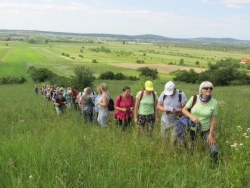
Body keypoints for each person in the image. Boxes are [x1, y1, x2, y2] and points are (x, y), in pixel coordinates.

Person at [182, 81, 218, 162]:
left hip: (205, 130)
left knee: (214, 150)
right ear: (201, 90)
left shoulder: (214, 102)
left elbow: (213, 120)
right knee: (190, 150)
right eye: (206, 88)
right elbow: (184, 110)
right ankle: (190, 164)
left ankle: (212, 165)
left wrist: (210, 135)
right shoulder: (194, 98)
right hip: (191, 129)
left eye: (210, 88)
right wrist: (192, 117)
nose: (209, 89)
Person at [157, 81, 187, 145]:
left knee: (173, 140)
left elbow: (185, 109)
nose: (169, 94)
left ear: (175, 89)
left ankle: (172, 151)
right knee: (164, 139)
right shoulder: (164, 93)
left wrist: (177, 111)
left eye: (171, 92)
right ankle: (165, 151)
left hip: (176, 121)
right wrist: (164, 109)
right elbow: (158, 105)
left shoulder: (181, 94)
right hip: (165, 120)